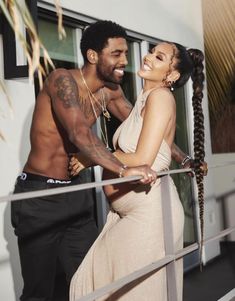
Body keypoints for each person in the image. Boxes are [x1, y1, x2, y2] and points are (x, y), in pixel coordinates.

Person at [11, 21, 158, 301]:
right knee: (39, 292)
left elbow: (143, 125)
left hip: (76, 197)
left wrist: (185, 157)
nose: (124, 61)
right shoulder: (61, 79)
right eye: (117, 54)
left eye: (125, 53)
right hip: (39, 197)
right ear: (93, 56)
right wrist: (125, 169)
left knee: (90, 282)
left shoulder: (109, 92)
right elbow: (79, 132)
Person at [69, 41, 205, 301]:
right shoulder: (145, 98)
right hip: (126, 214)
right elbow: (154, 147)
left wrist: (92, 157)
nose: (148, 57)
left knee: (128, 293)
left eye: (159, 57)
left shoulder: (161, 97)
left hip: (150, 215)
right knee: (97, 285)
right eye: (152, 51)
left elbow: (143, 157)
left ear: (172, 75)